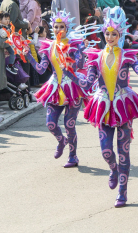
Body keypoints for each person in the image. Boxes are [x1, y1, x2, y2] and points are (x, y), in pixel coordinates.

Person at [76, 7, 138, 207]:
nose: (109, 37)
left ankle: (122, 192)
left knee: (124, 152)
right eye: (107, 33)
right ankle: (113, 168)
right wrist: (70, 72)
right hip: (102, 106)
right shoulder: (95, 57)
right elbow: (87, 83)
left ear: (120, 34)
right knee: (106, 151)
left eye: (113, 34)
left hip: (124, 105)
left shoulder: (128, 55)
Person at [26, 10, 87, 167]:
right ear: (51, 28)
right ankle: (62, 141)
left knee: (69, 124)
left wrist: (81, 51)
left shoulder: (74, 45)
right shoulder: (48, 46)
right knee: (51, 124)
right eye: (55, 26)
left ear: (67, 28)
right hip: (54, 88)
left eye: (61, 26)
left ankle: (73, 156)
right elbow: (40, 69)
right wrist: (28, 56)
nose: (58, 29)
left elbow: (80, 66)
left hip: (72, 87)